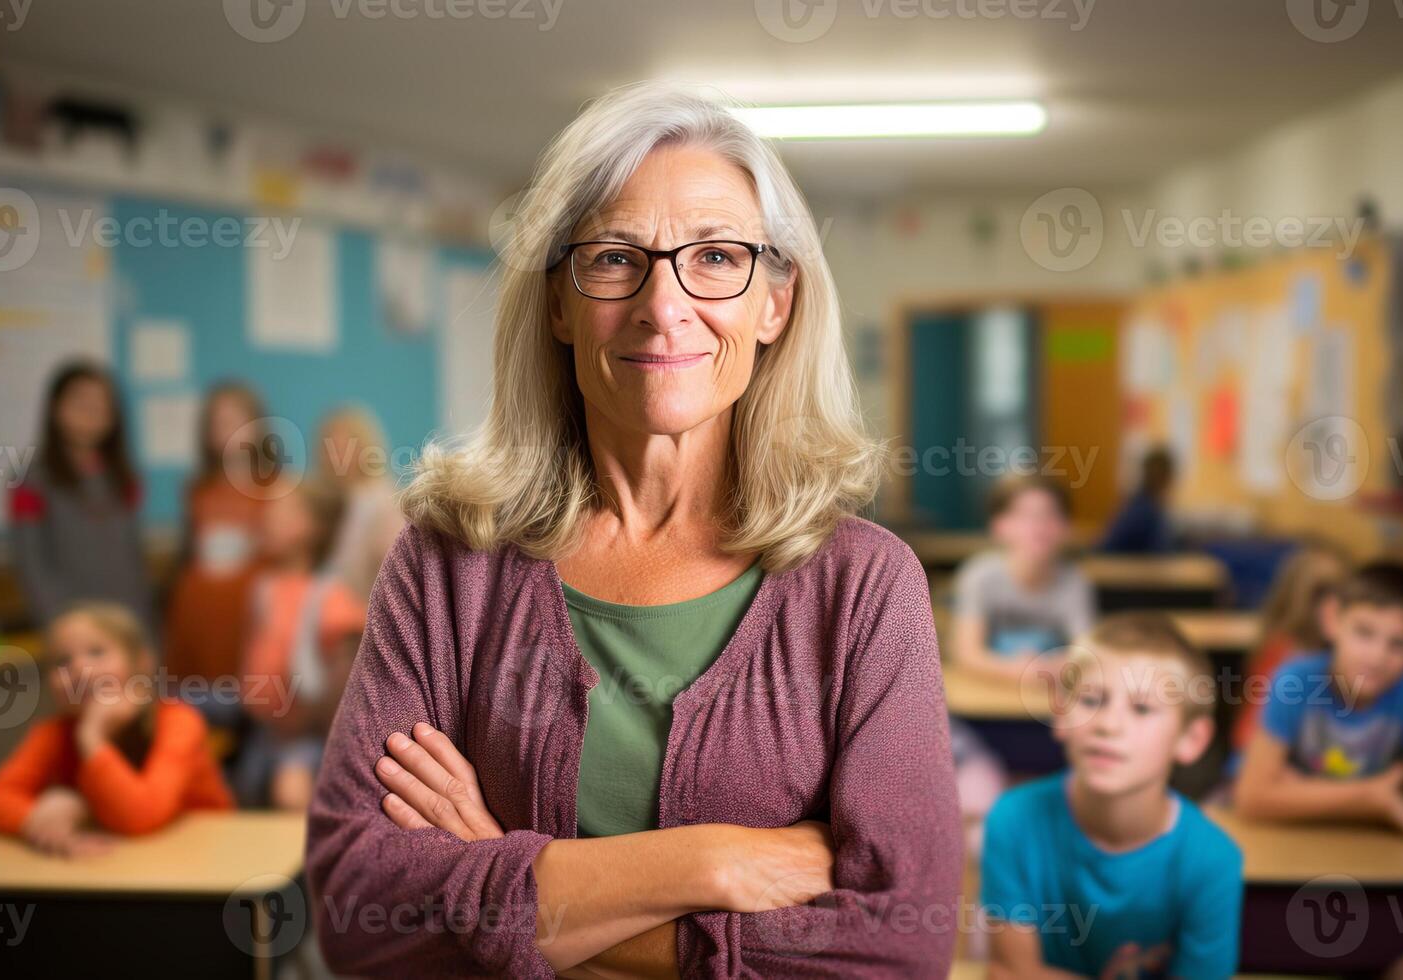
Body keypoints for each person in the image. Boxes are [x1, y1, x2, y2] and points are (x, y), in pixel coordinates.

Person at [305, 82, 962, 980]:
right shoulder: (449, 563)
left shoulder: (865, 585)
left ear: (774, 305)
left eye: (717, 257)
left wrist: (510, 882)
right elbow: (356, 913)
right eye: (616, 259)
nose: (664, 305)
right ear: (558, 304)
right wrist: (707, 863)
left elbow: (898, 949)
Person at [982, 613, 1242, 979]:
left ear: (1191, 739)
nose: (1109, 725)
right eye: (1091, 700)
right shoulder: (1014, 819)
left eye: (1141, 708)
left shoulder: (1213, 861)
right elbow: (1009, 973)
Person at [0, 603, 233, 854]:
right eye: (62, 661)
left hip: (204, 858)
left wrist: (92, 738)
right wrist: (35, 818)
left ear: (140, 662)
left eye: (97, 652)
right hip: (122, 860)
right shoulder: (52, 732)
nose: (78, 668)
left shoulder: (178, 721)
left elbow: (142, 814)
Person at [1235, 561, 1403, 838]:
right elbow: (1252, 799)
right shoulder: (1295, 679)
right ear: (1332, 619)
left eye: (1399, 644)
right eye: (1364, 632)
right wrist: (1374, 797)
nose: (1377, 657)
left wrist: (1298, 792)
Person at [235, 483, 364, 810]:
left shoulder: (329, 594)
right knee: (247, 796)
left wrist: (310, 721)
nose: (268, 519)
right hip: (262, 729)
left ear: (314, 527)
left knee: (290, 794)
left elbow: (349, 672)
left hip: (306, 734)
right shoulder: (264, 587)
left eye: (283, 513)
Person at [8, 361, 156, 632]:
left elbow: (134, 559)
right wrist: (60, 622)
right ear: (56, 406)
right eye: (81, 400)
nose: (92, 410)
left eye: (102, 403)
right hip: (70, 622)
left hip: (128, 619)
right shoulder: (30, 478)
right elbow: (31, 564)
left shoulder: (125, 477)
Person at [163, 382, 270, 713]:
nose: (230, 430)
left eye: (239, 420)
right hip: (197, 623)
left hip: (250, 623)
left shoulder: (277, 487)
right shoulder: (197, 491)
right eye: (219, 422)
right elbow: (189, 556)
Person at [950, 473, 1096, 686]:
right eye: (1025, 515)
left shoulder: (1075, 582)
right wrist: (1018, 671)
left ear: (1066, 527)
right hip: (988, 694)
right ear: (999, 526)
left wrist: (1044, 669)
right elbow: (965, 653)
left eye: (1051, 514)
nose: (1039, 526)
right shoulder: (979, 576)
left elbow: (1087, 654)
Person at [1230, 541, 1351, 753]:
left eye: (1339, 596)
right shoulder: (1281, 653)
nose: (1329, 608)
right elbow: (1247, 736)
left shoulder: (1350, 655)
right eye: (1320, 595)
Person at [311, 405, 405, 601]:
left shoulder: (378, 499)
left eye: (342, 445)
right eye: (327, 446)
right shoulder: (329, 503)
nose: (333, 455)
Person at [1097, 446, 1176, 553]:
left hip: (1111, 560)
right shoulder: (1148, 511)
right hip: (1120, 565)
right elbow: (1159, 554)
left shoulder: (1136, 503)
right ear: (1166, 479)